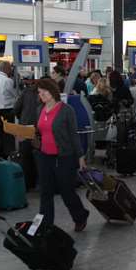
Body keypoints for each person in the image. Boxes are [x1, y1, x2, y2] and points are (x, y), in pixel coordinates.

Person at [33, 76, 89, 233]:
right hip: (44, 156)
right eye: (39, 92)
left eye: (44, 91)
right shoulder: (40, 110)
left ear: (53, 91)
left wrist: (80, 156)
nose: (41, 94)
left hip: (64, 157)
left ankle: (80, 215)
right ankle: (46, 225)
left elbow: (73, 135)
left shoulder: (66, 111)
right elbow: (39, 131)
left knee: (66, 191)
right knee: (45, 192)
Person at [0, 61, 19, 158]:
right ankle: (7, 154)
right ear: (7, 69)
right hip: (6, 111)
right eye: (10, 68)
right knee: (8, 135)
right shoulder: (7, 80)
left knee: (1, 134)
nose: (11, 70)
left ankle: (1, 154)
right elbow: (15, 95)